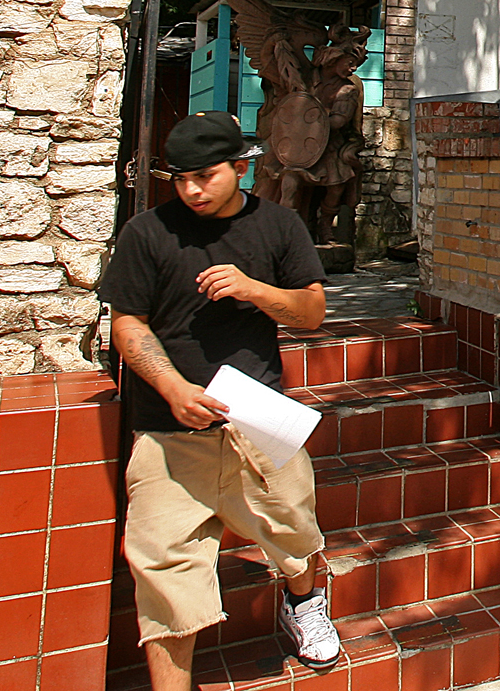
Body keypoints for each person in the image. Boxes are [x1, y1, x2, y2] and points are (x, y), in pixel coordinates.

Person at [98, 111, 342, 689]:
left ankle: (303, 602)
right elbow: (127, 323)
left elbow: (311, 313)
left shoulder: (278, 226)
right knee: (163, 566)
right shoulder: (147, 233)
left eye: (205, 176)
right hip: (168, 428)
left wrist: (253, 289)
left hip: (259, 418)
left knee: (293, 528)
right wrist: (171, 388)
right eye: (180, 178)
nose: (191, 190)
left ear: (240, 167)